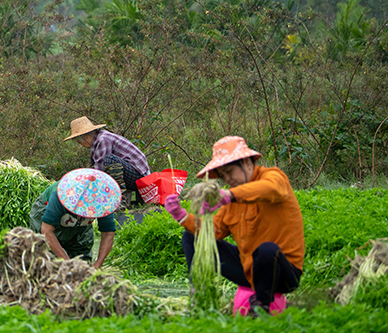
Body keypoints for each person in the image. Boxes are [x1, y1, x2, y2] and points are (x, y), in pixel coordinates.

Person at [163, 136, 304, 316]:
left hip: (283, 274)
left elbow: (271, 188)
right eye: (223, 176)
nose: (228, 179)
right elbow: (214, 230)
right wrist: (181, 216)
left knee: (267, 250)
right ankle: (198, 294)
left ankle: (261, 307)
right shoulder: (232, 200)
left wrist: (228, 195)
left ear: (246, 162)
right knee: (192, 237)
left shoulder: (274, 177)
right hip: (249, 271)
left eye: (229, 172)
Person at [31, 168, 120, 268]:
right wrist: (67, 262)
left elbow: (108, 233)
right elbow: (47, 231)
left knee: (82, 261)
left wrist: (98, 264)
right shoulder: (59, 195)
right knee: (48, 260)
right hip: (47, 210)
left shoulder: (104, 201)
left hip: (74, 221)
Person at [65, 116, 150, 205]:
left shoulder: (103, 140)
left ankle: (120, 201)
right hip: (133, 174)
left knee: (110, 160)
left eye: (80, 142)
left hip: (141, 178)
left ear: (85, 137)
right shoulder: (98, 141)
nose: (81, 145)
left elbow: (100, 173)